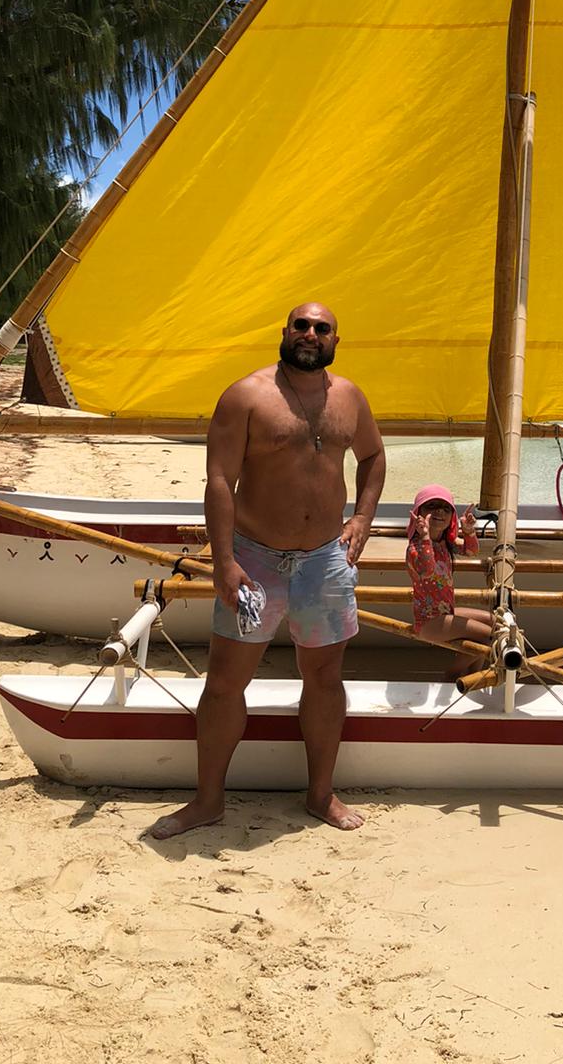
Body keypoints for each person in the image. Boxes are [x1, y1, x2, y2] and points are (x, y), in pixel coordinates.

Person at [151, 302, 386, 839]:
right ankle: (207, 800)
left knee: (325, 679)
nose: (310, 334)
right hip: (255, 559)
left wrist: (364, 520)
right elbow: (219, 480)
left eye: (321, 328)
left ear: (335, 340)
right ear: (284, 333)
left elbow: (373, 457)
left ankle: (320, 794)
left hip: (325, 560)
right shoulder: (247, 396)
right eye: (301, 325)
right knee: (226, 682)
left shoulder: (349, 398)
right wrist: (225, 561)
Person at [405, 485, 488, 674]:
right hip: (429, 622)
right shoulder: (416, 548)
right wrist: (425, 536)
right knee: (489, 637)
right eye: (432, 506)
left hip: (446, 613)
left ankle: (472, 675)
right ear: (418, 513)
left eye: (446, 508)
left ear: (451, 516)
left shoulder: (446, 544)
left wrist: (468, 531)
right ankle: (453, 675)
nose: (439, 511)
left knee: (496, 623)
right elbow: (426, 570)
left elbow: (471, 550)